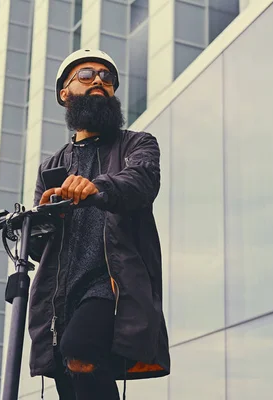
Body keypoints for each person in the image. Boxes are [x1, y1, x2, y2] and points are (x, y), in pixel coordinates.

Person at [28, 49, 170, 400]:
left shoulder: (136, 144)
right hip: (61, 295)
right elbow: (35, 249)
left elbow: (141, 182)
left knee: (79, 349)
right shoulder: (52, 167)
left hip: (111, 284)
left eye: (107, 78)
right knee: (68, 374)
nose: (99, 83)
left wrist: (97, 187)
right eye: (88, 75)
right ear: (65, 93)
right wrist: (45, 217)